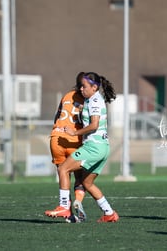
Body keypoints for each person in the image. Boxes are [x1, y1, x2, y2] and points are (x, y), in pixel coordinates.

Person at [45, 72, 119, 222]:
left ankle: (64, 207)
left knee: (63, 169)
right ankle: (109, 213)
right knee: (87, 183)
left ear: (94, 87)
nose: (81, 89)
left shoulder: (94, 101)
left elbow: (94, 125)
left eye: (84, 86)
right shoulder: (92, 99)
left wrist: (74, 132)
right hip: (103, 147)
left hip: (93, 147)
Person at [50, 72, 87, 222]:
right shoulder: (89, 99)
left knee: (63, 174)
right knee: (80, 177)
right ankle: (78, 200)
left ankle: (67, 211)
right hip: (74, 140)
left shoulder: (67, 95)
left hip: (56, 138)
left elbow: (57, 117)